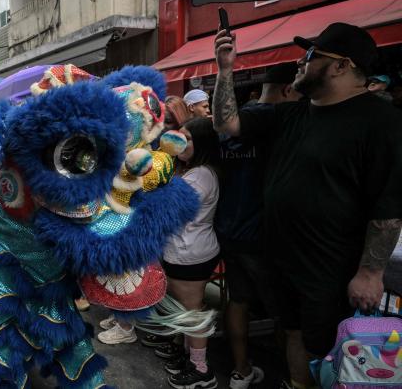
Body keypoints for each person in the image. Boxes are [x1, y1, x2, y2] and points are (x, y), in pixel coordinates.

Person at [212, 22, 402, 389]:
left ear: (342, 66)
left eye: (312, 54)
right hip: (282, 260)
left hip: (332, 269)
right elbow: (226, 122)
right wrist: (224, 70)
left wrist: (370, 273)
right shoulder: (291, 114)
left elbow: (388, 205)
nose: (301, 61)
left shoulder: (382, 122)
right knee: (295, 334)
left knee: (328, 350)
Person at [215, 62, 302, 389]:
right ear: (287, 90)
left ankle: (240, 370)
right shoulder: (278, 123)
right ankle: (291, 377)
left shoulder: (228, 119)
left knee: (238, 300)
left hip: (228, 229)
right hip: (262, 236)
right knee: (286, 316)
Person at [156, 117, 221, 389]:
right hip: (184, 251)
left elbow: (169, 211)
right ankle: (189, 357)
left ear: (202, 143)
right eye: (179, 136)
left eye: (188, 139)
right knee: (186, 311)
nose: (180, 142)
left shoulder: (200, 176)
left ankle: (201, 369)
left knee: (193, 314)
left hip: (190, 254)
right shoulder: (190, 171)